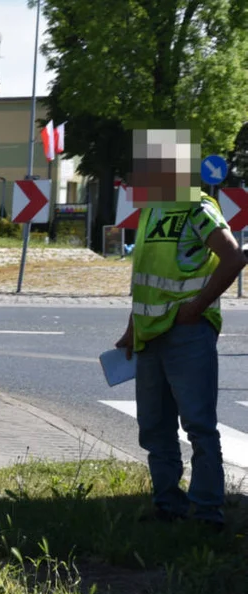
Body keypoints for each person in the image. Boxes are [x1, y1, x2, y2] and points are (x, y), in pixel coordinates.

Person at [115, 128, 246, 531]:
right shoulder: (152, 211)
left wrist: (197, 307)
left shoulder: (197, 206)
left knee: (199, 426)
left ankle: (208, 512)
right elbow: (148, 277)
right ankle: (168, 506)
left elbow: (234, 258)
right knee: (154, 427)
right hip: (151, 334)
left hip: (188, 333)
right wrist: (131, 328)